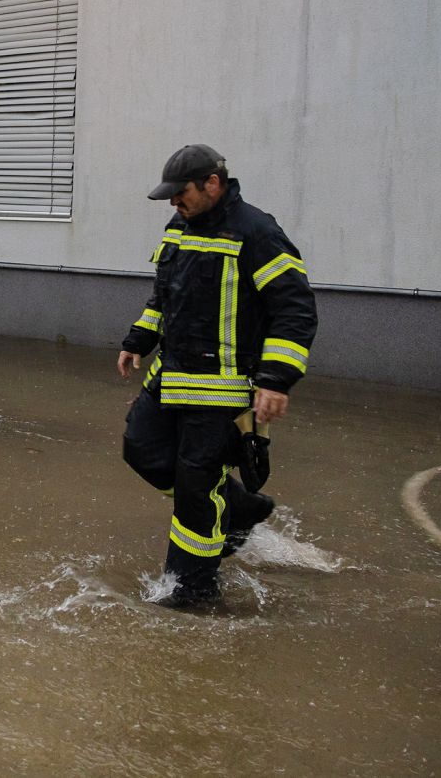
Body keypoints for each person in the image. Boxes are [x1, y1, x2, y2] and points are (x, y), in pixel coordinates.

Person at [117, 144, 317, 608]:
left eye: (180, 193)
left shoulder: (258, 233)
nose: (173, 203)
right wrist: (137, 340)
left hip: (225, 388)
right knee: (141, 449)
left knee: (195, 488)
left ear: (212, 183)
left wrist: (275, 379)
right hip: (171, 376)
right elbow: (163, 295)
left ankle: (192, 589)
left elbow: (295, 309)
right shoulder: (178, 227)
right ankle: (240, 507)